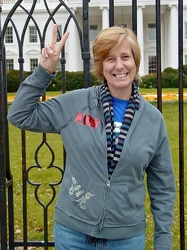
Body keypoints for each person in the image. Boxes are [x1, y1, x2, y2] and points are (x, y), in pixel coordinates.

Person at [8, 24, 176, 250]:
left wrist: (163, 239)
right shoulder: (75, 104)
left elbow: (162, 186)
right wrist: (44, 71)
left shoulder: (153, 120)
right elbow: (19, 115)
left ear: (135, 61)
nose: (119, 66)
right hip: (72, 234)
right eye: (110, 59)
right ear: (101, 66)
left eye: (125, 57)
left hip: (126, 238)